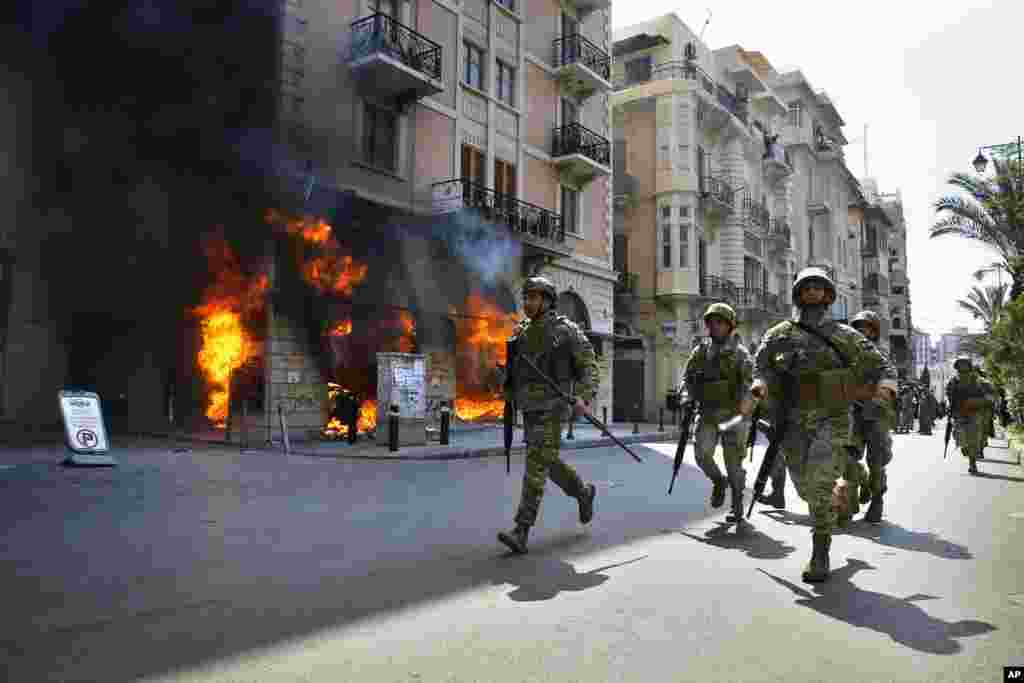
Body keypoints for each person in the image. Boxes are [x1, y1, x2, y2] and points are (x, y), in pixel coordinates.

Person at [751, 267, 894, 583]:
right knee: (805, 488)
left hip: (833, 417)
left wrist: (885, 388)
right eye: (807, 287)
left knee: (818, 484)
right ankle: (841, 494)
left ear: (828, 296)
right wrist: (760, 385)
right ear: (798, 294)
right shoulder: (779, 335)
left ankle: (820, 551)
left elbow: (882, 365)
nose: (813, 292)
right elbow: (760, 366)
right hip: (792, 421)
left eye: (819, 287)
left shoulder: (846, 336)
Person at [498, 276, 600, 554]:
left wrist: (584, 396)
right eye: (526, 297)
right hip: (529, 409)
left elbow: (589, 364)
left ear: (547, 301)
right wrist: (505, 383)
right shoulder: (521, 332)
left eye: (534, 297)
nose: (528, 303)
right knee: (548, 463)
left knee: (535, 468)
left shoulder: (565, 331)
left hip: (553, 408)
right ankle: (583, 492)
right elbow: (515, 371)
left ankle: (521, 530)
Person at [681, 303, 756, 525]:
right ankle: (718, 481)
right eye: (711, 322)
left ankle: (737, 505)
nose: (715, 326)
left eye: (720, 322)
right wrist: (686, 396)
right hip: (707, 413)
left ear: (730, 325)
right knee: (702, 455)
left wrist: (745, 407)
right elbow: (688, 378)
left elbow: (750, 383)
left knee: (733, 463)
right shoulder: (701, 351)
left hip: (733, 415)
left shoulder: (740, 353)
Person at [846, 310, 898, 525]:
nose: (861, 331)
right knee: (846, 458)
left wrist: (879, 397)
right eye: (858, 327)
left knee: (876, 461)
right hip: (850, 414)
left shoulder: (881, 355)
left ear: (874, 331)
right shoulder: (845, 354)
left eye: (866, 328)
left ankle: (877, 499)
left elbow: (890, 378)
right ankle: (859, 487)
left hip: (875, 414)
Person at [945, 356, 997, 475]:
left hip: (974, 414)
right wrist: (950, 407)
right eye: (960, 367)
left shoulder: (979, 381)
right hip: (958, 415)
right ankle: (966, 450)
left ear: (969, 367)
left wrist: (976, 401)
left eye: (965, 367)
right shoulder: (953, 382)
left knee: (973, 439)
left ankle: (972, 464)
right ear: (957, 368)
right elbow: (948, 396)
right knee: (961, 439)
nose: (962, 370)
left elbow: (990, 397)